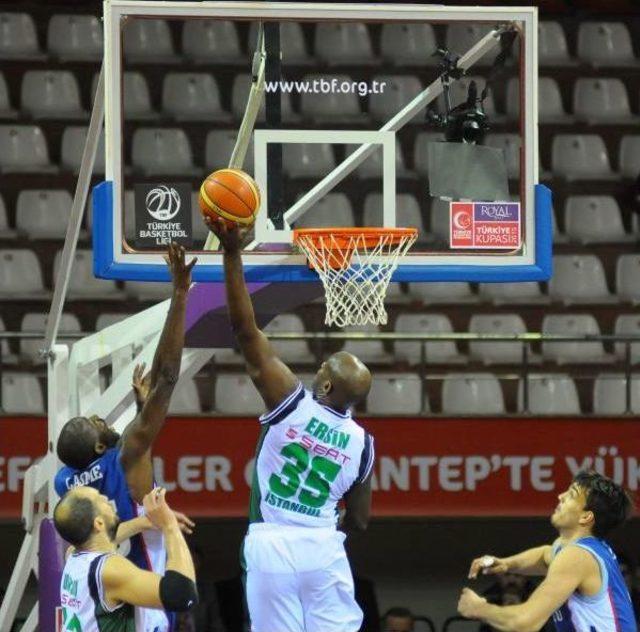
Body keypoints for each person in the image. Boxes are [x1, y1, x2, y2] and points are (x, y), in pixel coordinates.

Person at [206, 217, 375, 632]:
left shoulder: (291, 403)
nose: (316, 369)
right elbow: (360, 520)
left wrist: (232, 255)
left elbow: (245, 332)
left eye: (322, 368)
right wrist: (324, 526)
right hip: (322, 547)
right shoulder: (362, 443)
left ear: (327, 384)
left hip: (273, 542)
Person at [54, 242, 197, 631]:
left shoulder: (67, 485)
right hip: (145, 586)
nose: (104, 421)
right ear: (102, 446)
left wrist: (140, 414)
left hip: (113, 584)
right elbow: (167, 378)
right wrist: (180, 297)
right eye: (100, 426)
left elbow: (114, 526)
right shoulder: (126, 457)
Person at [458, 470, 636, 631]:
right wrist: (506, 564)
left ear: (586, 517)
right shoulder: (578, 549)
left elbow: (524, 622)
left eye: (571, 495)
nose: (561, 496)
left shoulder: (577, 557)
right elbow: (545, 555)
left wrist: (479, 609)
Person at [55, 486, 197, 631]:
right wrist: (169, 525)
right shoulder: (109, 569)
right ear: (98, 523)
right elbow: (183, 596)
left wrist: (146, 522)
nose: (105, 498)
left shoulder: (73, 555)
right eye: (99, 498)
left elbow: (105, 538)